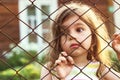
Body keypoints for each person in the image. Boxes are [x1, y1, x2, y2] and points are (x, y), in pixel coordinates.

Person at [40, 2, 120, 80]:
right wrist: (60, 77)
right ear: (58, 40)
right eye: (64, 33)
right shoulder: (50, 68)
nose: (72, 36)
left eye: (79, 30)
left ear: (93, 37)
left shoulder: (100, 68)